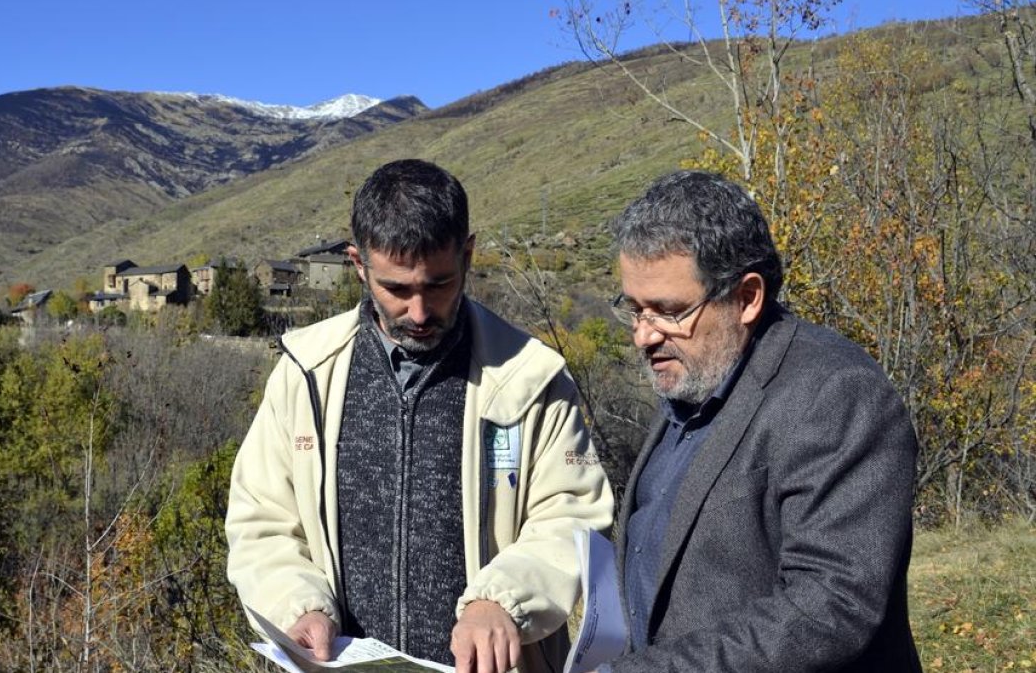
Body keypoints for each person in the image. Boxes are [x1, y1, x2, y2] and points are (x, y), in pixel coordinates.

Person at [226, 159, 613, 673]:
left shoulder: (531, 378)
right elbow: (263, 521)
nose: (419, 312)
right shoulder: (305, 374)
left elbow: (572, 515)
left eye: (438, 284)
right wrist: (298, 608)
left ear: (468, 255)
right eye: (396, 289)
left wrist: (502, 601)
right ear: (357, 264)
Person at [594, 170, 921, 672]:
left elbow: (832, 605)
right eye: (635, 309)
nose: (643, 335)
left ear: (747, 298)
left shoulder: (836, 394)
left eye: (666, 311)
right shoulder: (696, 380)